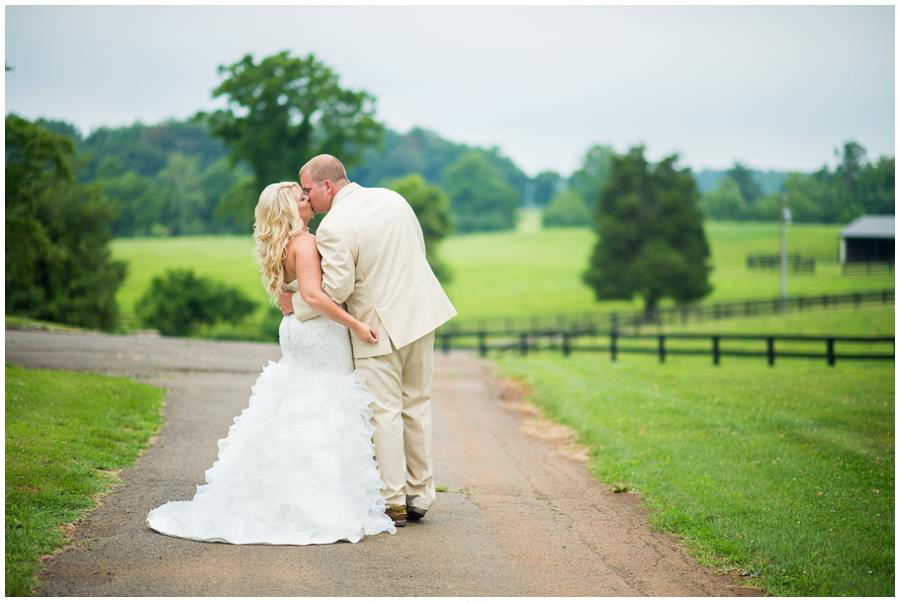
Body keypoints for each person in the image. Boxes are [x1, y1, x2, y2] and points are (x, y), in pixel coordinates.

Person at [146, 181, 396, 545]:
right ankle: (319, 503)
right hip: (317, 333)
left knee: (295, 404)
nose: (308, 199)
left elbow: (289, 294)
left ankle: (281, 494)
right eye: (301, 197)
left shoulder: (279, 244)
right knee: (324, 407)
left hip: (294, 331)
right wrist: (356, 323)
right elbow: (311, 295)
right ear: (289, 210)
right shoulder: (307, 243)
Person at [283, 155, 456, 526]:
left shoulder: (333, 227)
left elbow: (338, 287)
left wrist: (295, 299)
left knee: (385, 413)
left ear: (327, 185)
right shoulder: (394, 200)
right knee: (417, 406)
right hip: (422, 316)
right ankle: (420, 495)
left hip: (378, 328)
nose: (308, 198)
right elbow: (414, 255)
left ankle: (392, 499)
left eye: (309, 189)